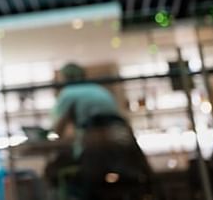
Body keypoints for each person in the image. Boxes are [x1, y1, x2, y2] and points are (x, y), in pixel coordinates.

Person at [46, 63, 156, 200]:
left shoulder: (68, 93)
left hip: (95, 143)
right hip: (121, 137)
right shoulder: (99, 89)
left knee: (73, 175)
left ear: (64, 78)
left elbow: (57, 129)